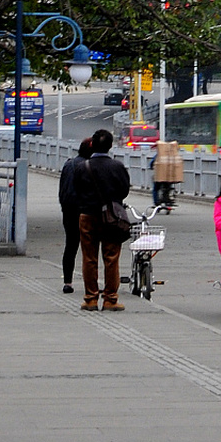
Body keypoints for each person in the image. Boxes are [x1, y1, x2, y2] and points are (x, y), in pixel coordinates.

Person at [73, 128, 130, 312]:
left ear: (92, 145)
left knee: (89, 258)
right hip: (111, 217)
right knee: (111, 257)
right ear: (110, 146)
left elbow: (77, 190)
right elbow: (124, 191)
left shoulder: (82, 167)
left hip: (87, 215)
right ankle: (110, 299)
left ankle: (90, 299)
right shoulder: (117, 167)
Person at [58, 139, 92, 294]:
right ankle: (91, 283)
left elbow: (62, 189)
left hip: (68, 210)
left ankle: (68, 282)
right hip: (85, 210)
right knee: (89, 248)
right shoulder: (89, 167)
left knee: (70, 246)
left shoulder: (68, 164)